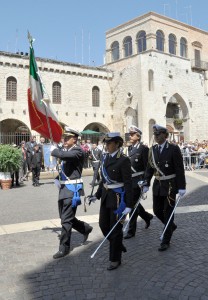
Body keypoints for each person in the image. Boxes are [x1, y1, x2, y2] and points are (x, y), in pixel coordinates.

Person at [88, 132, 133, 270]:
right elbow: (104, 180)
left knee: (115, 229)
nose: (106, 145)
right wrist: (97, 195)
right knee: (103, 225)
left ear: (117, 144)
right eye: (105, 143)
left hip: (118, 199)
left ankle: (115, 259)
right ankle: (117, 244)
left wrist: (129, 205)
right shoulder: (105, 158)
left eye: (109, 143)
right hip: (106, 197)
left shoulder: (124, 160)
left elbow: (128, 183)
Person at [51, 127, 93, 259]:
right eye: (64, 138)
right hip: (64, 189)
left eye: (66, 138)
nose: (64, 140)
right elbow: (66, 169)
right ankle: (85, 228)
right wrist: (57, 178)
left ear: (74, 139)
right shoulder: (68, 150)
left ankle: (64, 248)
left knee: (66, 220)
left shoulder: (78, 151)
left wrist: (54, 151)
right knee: (65, 217)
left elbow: (64, 156)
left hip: (72, 189)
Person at [143, 124, 186, 251]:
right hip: (158, 185)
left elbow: (179, 168)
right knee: (157, 211)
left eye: (158, 134)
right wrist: (146, 182)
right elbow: (149, 168)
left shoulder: (173, 148)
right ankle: (171, 226)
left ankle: (166, 240)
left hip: (170, 185)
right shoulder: (153, 149)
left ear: (165, 135)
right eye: (154, 134)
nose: (156, 136)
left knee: (168, 212)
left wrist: (181, 186)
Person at [124, 125, 153, 239]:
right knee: (133, 203)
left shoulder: (144, 149)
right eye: (130, 134)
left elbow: (147, 166)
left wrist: (145, 181)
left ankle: (131, 230)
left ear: (138, 136)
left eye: (132, 134)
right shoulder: (129, 149)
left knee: (131, 204)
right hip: (129, 180)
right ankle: (147, 216)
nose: (130, 136)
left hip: (138, 180)